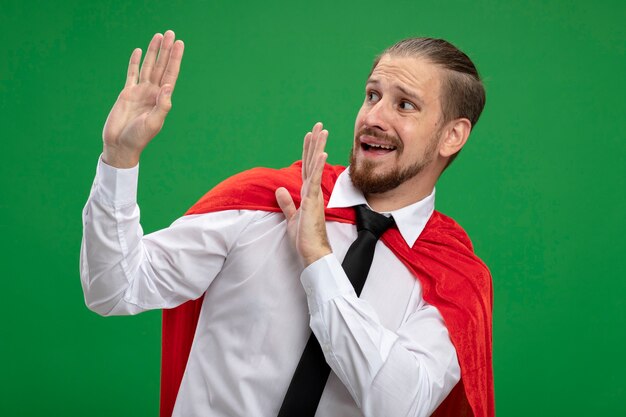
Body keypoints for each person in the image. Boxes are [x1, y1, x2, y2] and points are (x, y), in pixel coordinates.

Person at [80, 30, 494, 417]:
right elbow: (114, 289)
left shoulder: (451, 279)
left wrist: (319, 261)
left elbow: (399, 404)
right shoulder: (266, 202)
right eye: (372, 96)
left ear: (452, 136)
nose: (374, 117)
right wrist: (120, 158)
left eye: (404, 105)